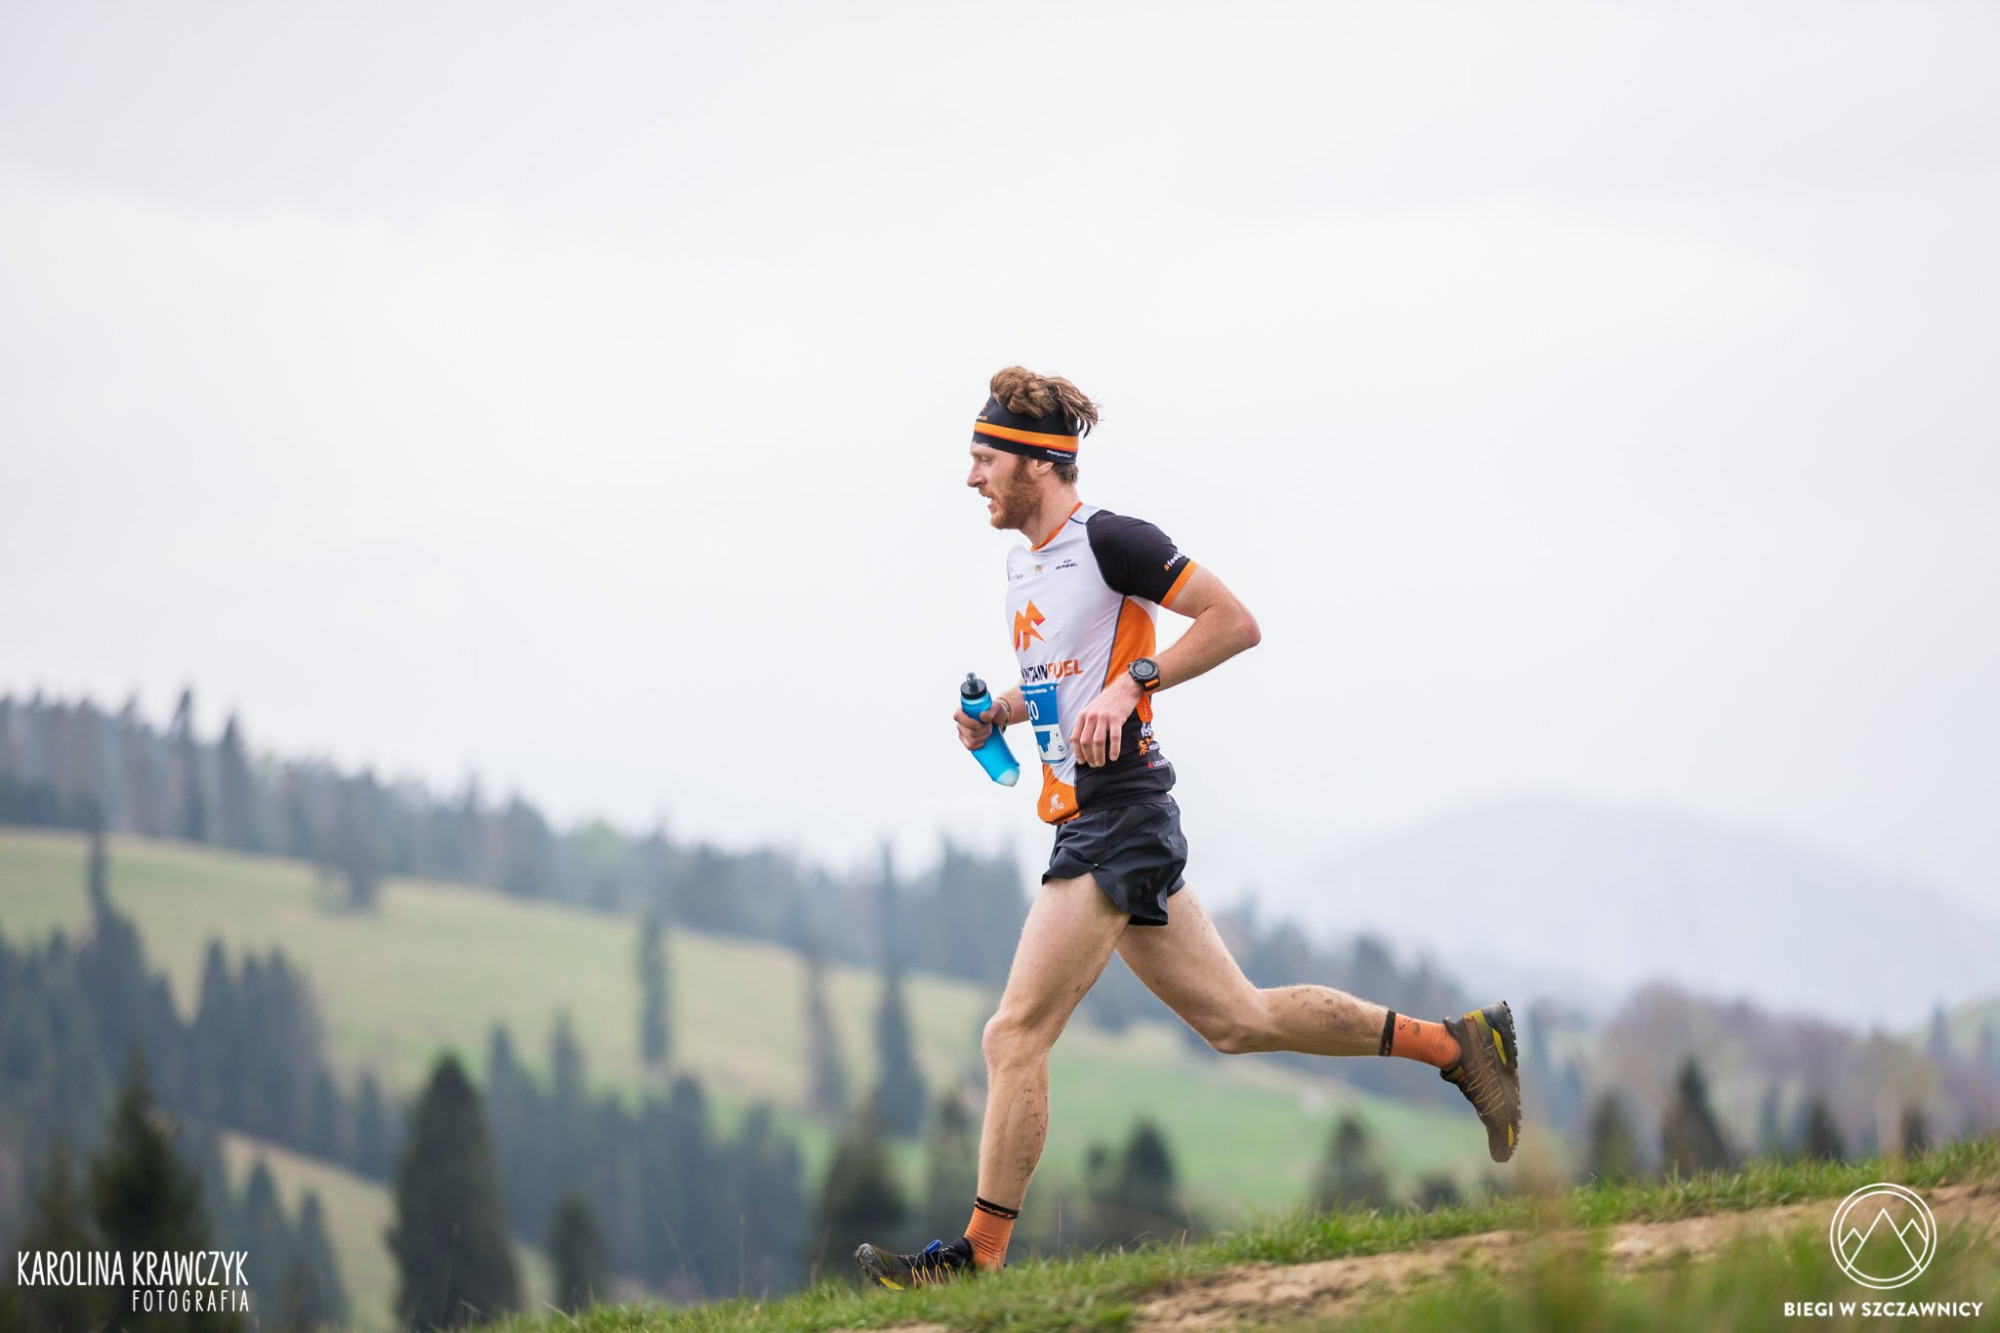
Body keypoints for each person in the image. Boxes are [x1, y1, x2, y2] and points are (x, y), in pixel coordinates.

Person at [854, 366, 1520, 1289]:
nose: (970, 477)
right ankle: (1460, 1045)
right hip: (1100, 818)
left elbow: (1233, 621)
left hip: (1120, 818)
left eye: (983, 457)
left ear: (1037, 462)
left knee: (1013, 1035)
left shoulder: (1113, 540)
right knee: (1239, 1020)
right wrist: (1001, 713)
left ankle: (977, 1257)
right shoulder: (1023, 563)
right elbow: (1065, 680)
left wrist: (1140, 682)